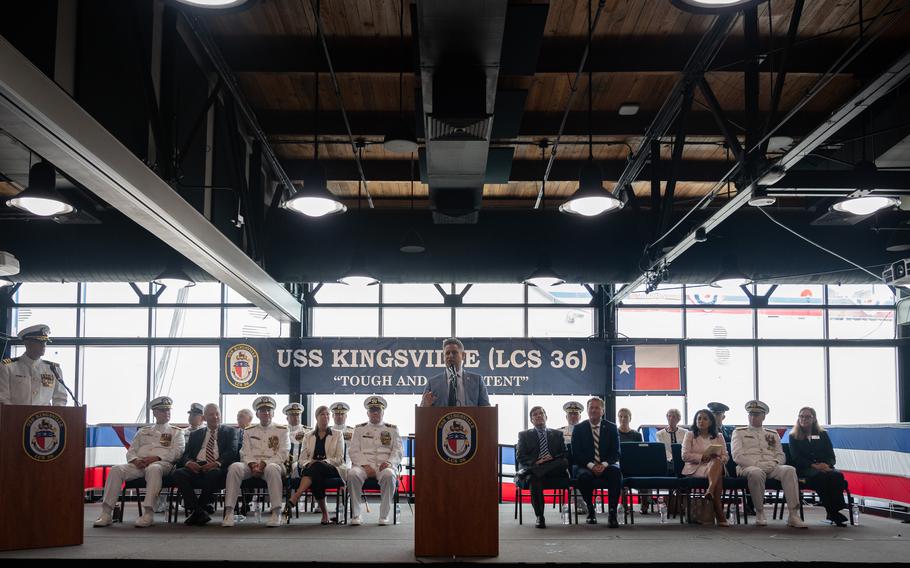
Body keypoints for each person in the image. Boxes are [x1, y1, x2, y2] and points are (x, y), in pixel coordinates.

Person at [93, 396, 186, 527]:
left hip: (162, 464)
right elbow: (131, 450)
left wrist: (157, 458)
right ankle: (106, 513)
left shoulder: (176, 432)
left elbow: (178, 452)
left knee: (153, 469)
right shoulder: (143, 431)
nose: (167, 413)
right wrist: (135, 460)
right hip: (139, 464)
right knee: (116, 470)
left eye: (168, 410)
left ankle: (148, 513)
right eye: (163, 410)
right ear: (154, 412)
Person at [731, 400, 808, 528]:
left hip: (771, 466)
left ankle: (793, 515)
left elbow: (780, 454)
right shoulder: (739, 432)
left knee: (789, 470)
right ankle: (760, 512)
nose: (752, 417)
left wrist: (775, 463)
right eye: (750, 414)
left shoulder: (772, 434)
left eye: (756, 415)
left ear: (763, 416)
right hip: (748, 467)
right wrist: (757, 464)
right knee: (756, 472)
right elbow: (737, 456)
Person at [222, 396, 289, 528]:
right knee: (234, 467)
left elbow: (283, 454)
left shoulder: (282, 430)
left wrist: (264, 464)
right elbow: (244, 452)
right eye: (263, 410)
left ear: (273, 413)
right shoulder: (249, 430)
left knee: (272, 468)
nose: (266, 413)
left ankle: (276, 512)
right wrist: (252, 465)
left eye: (269, 410)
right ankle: (229, 511)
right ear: (257, 414)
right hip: (251, 465)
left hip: (273, 464)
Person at [172, 403, 241, 526]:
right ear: (204, 418)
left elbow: (232, 452)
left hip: (217, 468)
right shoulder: (196, 434)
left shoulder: (230, 432)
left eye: (217, 414)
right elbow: (186, 454)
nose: (215, 417)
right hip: (197, 466)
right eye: (211, 415)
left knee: (213, 473)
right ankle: (199, 510)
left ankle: (197, 510)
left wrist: (216, 463)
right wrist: (189, 463)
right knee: (178, 473)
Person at [788, 406, 849, 527]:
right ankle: (832, 511)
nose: (804, 419)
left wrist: (827, 464)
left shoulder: (822, 434)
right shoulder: (793, 436)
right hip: (805, 469)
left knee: (837, 475)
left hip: (824, 466)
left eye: (808, 417)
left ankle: (835, 510)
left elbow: (831, 455)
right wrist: (813, 466)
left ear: (814, 419)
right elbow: (796, 458)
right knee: (821, 477)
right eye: (801, 416)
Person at [348, 396, 403, 526]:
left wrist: (390, 462)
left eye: (378, 410)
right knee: (352, 474)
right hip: (363, 466)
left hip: (384, 466)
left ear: (383, 412)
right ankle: (356, 514)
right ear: (367, 413)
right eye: (372, 410)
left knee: (389, 475)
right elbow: (354, 450)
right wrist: (366, 466)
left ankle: (384, 515)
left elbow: (398, 450)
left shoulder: (392, 429)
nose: (375, 413)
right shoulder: (359, 429)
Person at [289, 405, 346, 524]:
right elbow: (302, 459)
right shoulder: (308, 435)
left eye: (327, 414)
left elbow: (340, 458)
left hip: (331, 468)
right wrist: (310, 463)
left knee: (318, 466)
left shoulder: (337, 434)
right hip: (312, 469)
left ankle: (297, 494)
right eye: (322, 414)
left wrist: (323, 462)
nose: (326, 417)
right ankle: (325, 516)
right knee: (316, 474)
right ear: (316, 417)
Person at [571, 397, 622, 527]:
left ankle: (612, 513)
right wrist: (592, 466)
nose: (594, 410)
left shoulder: (611, 427)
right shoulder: (579, 428)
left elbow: (616, 452)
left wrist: (604, 465)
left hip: (606, 465)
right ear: (587, 410)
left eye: (597, 407)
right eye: (591, 408)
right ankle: (590, 510)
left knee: (616, 473)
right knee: (583, 477)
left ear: (602, 411)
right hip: (586, 465)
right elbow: (576, 453)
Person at [516, 406, 569, 529]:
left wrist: (549, 458)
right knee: (534, 480)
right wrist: (537, 461)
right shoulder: (524, 435)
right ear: (531, 420)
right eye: (535, 414)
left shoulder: (557, 434)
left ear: (546, 417)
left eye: (541, 413)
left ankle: (536, 470)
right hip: (536, 469)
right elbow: (520, 456)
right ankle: (540, 516)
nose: (539, 416)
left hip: (553, 469)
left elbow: (564, 454)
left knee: (564, 462)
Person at [681, 409, 729, 526]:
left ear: (711, 422)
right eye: (699, 418)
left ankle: (710, 491)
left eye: (705, 419)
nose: (701, 421)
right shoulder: (690, 435)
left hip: (715, 465)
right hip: (696, 468)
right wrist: (702, 457)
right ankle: (719, 511)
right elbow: (685, 456)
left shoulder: (719, 436)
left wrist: (719, 457)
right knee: (718, 476)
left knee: (717, 461)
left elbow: (725, 456)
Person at [0, 324, 68, 406]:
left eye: (45, 341)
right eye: (39, 342)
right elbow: (3, 398)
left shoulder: (53, 369)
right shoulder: (8, 367)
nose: (43, 345)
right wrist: (16, 415)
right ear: (27, 343)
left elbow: (60, 398)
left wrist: (53, 416)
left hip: (44, 417)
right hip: (17, 417)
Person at [420, 338, 490, 407]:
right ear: (443, 357)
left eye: (454, 352)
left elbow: (487, 410)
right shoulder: (432, 383)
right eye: (447, 353)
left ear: (463, 355)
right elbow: (422, 412)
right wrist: (425, 405)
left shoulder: (477, 381)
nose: (450, 356)